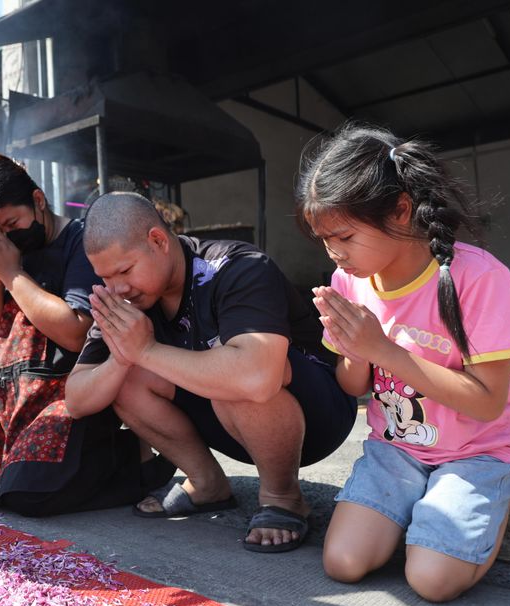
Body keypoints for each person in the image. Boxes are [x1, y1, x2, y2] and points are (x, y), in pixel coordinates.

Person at [295, 122, 510, 601]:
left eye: (344, 236)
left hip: (478, 450)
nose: (335, 254)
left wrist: (384, 348)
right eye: (325, 241)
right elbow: (352, 386)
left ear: (401, 210)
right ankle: (427, 504)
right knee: (343, 563)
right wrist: (353, 348)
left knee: (431, 580)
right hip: (400, 449)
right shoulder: (349, 282)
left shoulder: (477, 277)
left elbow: (488, 404)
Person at [65, 192, 357, 552]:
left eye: (125, 271)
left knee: (235, 369)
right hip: (231, 418)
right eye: (105, 277)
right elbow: (77, 399)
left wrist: (146, 350)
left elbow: (258, 376)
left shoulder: (236, 267)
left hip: (318, 413)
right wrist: (125, 356)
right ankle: (206, 483)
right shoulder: (125, 299)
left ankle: (283, 496)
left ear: (158, 240)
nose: (117, 288)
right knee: (122, 377)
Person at [0, 156, 173, 516]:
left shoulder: (79, 241)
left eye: (13, 222)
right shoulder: (8, 257)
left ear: (39, 201)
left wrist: (13, 274)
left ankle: (132, 459)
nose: (10, 236)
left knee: (30, 493)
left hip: (65, 389)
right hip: (9, 393)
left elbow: (77, 333)